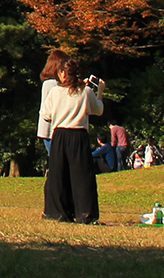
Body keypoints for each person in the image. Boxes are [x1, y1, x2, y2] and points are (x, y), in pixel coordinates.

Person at [39, 56, 103, 225]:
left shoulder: (54, 92)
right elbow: (98, 110)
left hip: (60, 135)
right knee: (82, 176)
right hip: (79, 135)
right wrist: (101, 92)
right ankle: (85, 213)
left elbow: (45, 115)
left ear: (63, 74)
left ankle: (58, 212)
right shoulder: (86, 91)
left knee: (58, 175)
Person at [35, 49, 65, 155]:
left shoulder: (51, 83)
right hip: (51, 130)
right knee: (57, 158)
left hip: (53, 130)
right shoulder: (51, 84)